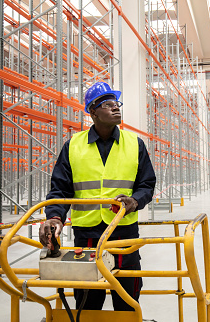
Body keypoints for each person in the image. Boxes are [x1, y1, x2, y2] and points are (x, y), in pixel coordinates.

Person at [39, 81, 156, 311]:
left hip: (123, 233)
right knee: (88, 300)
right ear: (92, 111)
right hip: (88, 235)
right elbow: (60, 189)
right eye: (108, 103)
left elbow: (147, 184)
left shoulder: (135, 144)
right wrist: (54, 217)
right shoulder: (73, 146)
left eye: (117, 103)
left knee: (127, 298)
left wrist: (135, 201)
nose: (116, 107)